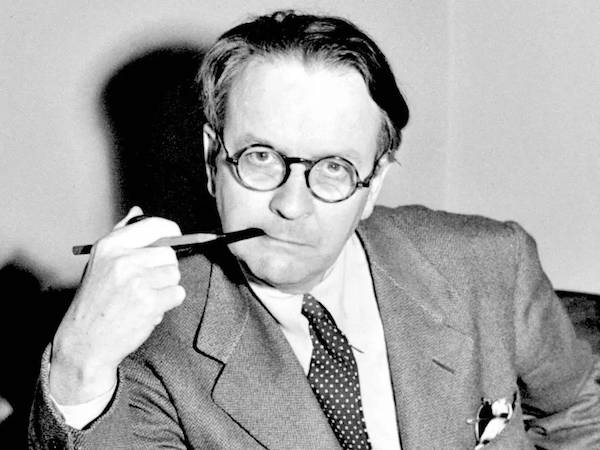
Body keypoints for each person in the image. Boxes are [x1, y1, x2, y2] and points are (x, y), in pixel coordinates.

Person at [29, 10, 600, 449]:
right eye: (260, 157)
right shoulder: (148, 342)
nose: (290, 205)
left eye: (333, 168)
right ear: (211, 160)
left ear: (373, 184)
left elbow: (579, 413)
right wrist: (78, 368)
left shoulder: (492, 263)